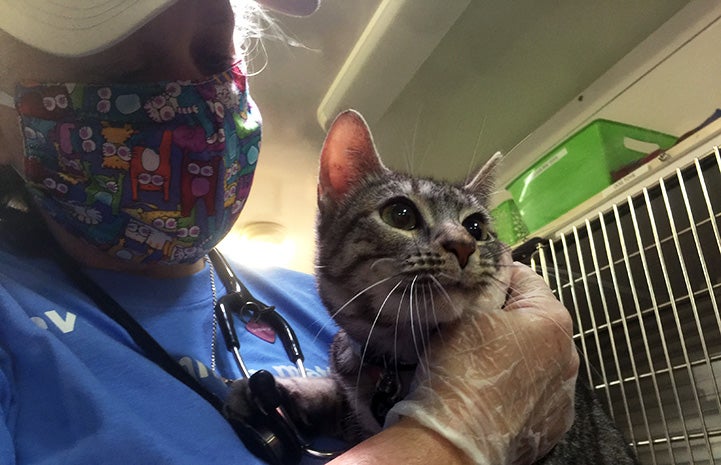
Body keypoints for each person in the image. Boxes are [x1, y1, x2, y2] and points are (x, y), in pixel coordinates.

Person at [0, 0, 580, 464]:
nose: (192, 98)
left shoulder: (330, 301)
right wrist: (451, 437)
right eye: (121, 71)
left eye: (211, 50)